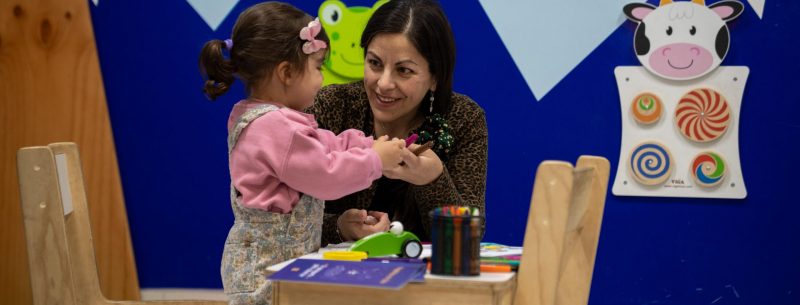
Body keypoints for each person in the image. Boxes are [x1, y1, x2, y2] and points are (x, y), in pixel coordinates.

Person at [198, 2, 404, 304]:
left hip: (273, 263)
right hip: (265, 271)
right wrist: (375, 161)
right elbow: (326, 175)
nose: (322, 79)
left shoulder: (269, 120)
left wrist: (369, 145)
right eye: (318, 67)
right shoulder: (277, 128)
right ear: (286, 72)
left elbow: (326, 146)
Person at [310, 0, 488, 246]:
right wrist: (338, 227)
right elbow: (281, 217)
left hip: (423, 281)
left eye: (403, 70)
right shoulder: (332, 105)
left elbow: (468, 240)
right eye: (374, 63)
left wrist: (433, 180)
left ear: (435, 77)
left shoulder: (463, 118)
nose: (383, 83)